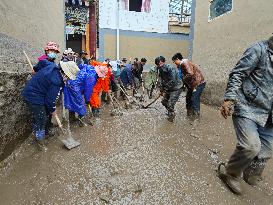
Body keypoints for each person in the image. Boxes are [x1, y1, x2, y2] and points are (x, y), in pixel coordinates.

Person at [218, 36, 273, 195]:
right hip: (248, 106)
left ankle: (250, 175)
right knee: (251, 146)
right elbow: (238, 74)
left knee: (265, 152)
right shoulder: (258, 50)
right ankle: (231, 173)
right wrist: (229, 99)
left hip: (270, 116)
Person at [22, 41, 63, 149]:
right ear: (46, 51)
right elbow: (36, 68)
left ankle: (46, 129)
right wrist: (36, 72)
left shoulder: (53, 65)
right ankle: (40, 139)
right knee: (41, 117)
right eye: (51, 51)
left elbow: (50, 99)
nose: (53, 53)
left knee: (46, 113)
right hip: (35, 93)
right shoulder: (43, 61)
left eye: (55, 51)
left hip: (42, 92)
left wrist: (52, 108)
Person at [61, 61, 97, 126]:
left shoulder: (89, 67)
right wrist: (87, 100)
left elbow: (80, 65)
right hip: (75, 86)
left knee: (72, 101)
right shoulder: (92, 76)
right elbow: (88, 90)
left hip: (70, 82)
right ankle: (82, 121)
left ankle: (72, 118)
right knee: (80, 103)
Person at [172, 53, 206, 119]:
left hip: (198, 83)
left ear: (177, 59)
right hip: (192, 85)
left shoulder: (185, 62)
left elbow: (190, 73)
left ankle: (196, 117)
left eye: (174, 61)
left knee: (194, 99)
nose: (174, 63)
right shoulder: (181, 65)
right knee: (188, 99)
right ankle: (189, 115)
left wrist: (184, 79)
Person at [155, 56, 182, 122]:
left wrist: (165, 90)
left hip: (176, 88)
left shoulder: (171, 68)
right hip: (168, 88)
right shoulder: (160, 69)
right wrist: (161, 90)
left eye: (160, 63)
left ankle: (171, 116)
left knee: (170, 103)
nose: (159, 65)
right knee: (164, 102)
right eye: (158, 64)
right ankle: (170, 111)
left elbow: (173, 81)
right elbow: (161, 80)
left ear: (163, 62)